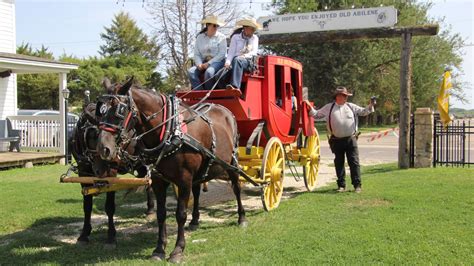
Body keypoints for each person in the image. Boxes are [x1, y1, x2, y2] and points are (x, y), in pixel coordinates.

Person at [307, 87, 375, 193]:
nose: (343, 97)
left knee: (354, 162)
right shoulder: (329, 107)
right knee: (339, 163)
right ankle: (341, 186)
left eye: (345, 95)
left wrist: (371, 105)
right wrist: (308, 107)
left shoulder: (351, 107)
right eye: (341, 95)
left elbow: (364, 111)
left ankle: (357, 186)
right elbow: (316, 115)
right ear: (336, 97)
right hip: (336, 139)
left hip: (351, 139)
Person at [219, 16, 261, 91]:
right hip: (235, 61)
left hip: (248, 62)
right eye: (251, 29)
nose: (253, 31)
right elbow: (231, 52)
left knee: (237, 60)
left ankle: (235, 87)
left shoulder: (255, 38)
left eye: (253, 29)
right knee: (221, 74)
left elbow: (254, 52)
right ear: (245, 28)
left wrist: (244, 56)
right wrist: (227, 62)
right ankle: (224, 93)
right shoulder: (235, 37)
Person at [188, 15, 227, 90]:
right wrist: (199, 64)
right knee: (191, 72)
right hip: (203, 62)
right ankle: (200, 94)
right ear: (208, 25)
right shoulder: (200, 37)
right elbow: (196, 54)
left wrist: (209, 63)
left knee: (209, 72)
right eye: (214, 25)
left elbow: (222, 54)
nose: (216, 28)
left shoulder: (222, 37)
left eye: (217, 26)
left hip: (218, 61)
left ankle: (210, 95)